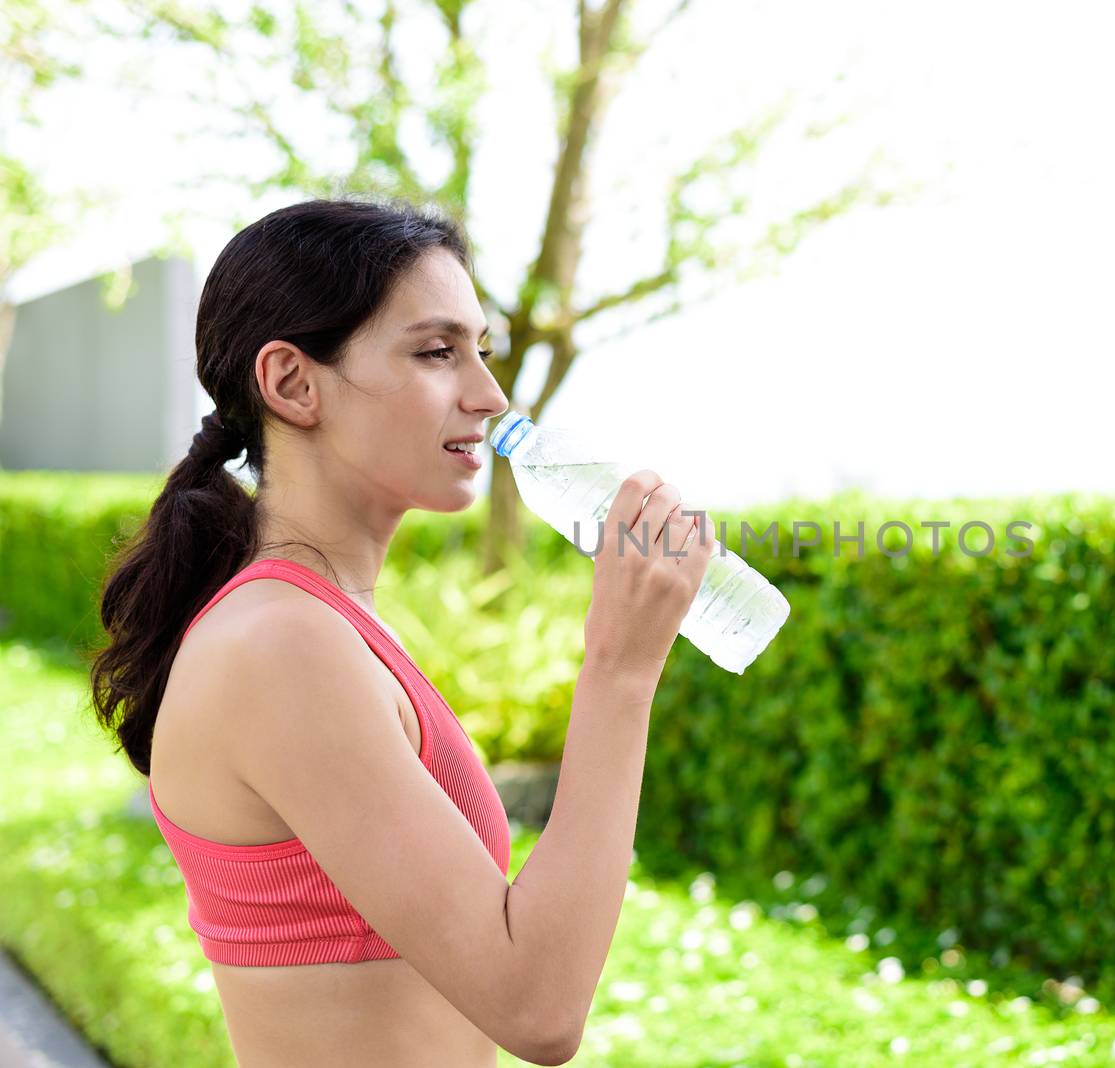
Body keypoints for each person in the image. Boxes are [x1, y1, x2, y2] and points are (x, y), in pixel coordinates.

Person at [88, 197, 713, 1066]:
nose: (490, 395)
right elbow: (536, 1006)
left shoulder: (320, 621)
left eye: (481, 351)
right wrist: (620, 667)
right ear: (292, 383)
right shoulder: (279, 647)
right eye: (437, 352)